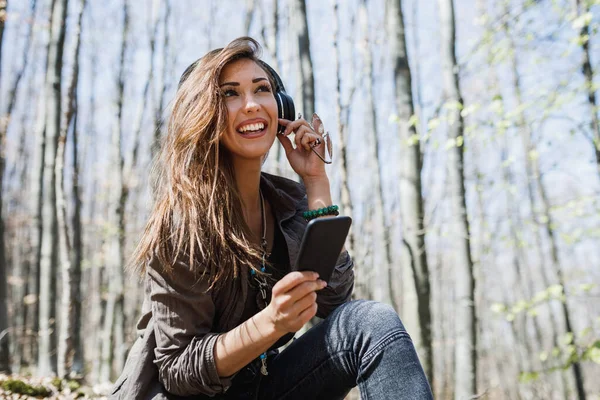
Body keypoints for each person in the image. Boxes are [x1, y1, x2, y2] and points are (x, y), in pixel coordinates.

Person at [110, 36, 433, 400]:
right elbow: (178, 372)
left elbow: (334, 299)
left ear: (281, 106)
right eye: (230, 94)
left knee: (369, 322)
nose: (250, 105)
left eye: (261, 89)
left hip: (263, 387)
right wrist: (269, 324)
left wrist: (315, 180)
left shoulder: (287, 201)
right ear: (202, 113)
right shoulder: (182, 221)